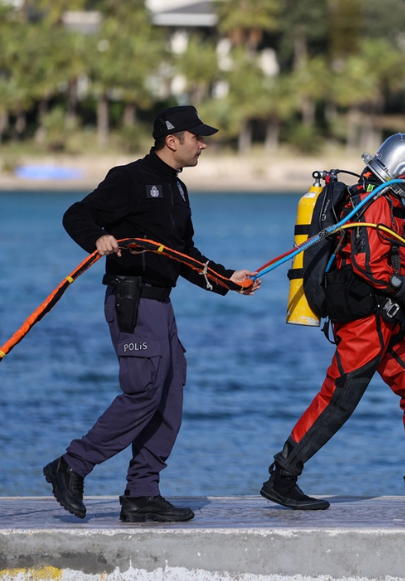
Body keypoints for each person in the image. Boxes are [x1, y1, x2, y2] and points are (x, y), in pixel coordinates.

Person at [44, 105, 261, 522]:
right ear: (172, 140)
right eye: (196, 137)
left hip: (162, 303)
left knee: (171, 391)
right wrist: (99, 238)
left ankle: (142, 493)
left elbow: (185, 256)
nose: (203, 143)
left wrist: (227, 279)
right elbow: (77, 215)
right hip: (132, 300)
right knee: (144, 391)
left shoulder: (178, 190)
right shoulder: (128, 178)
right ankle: (71, 465)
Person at [260, 132, 405, 511]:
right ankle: (283, 476)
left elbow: (403, 252)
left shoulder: (386, 200)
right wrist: (404, 289)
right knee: (337, 401)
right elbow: (368, 265)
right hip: (366, 324)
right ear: (404, 171)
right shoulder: (375, 202)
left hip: (387, 323)